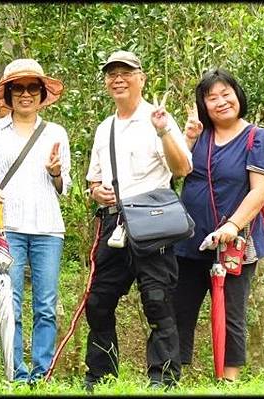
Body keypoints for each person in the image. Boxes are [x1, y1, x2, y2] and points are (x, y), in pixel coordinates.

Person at [83, 50, 193, 391]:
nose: (118, 78)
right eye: (112, 73)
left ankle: (163, 378)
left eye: (126, 72)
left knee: (158, 300)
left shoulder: (158, 117)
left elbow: (181, 168)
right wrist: (96, 194)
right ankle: (101, 376)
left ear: (141, 78)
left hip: (152, 222)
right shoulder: (104, 128)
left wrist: (163, 131)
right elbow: (93, 182)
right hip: (115, 223)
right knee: (98, 301)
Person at [173, 68, 264, 382]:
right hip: (190, 239)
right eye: (211, 97)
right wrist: (187, 137)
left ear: (237, 96)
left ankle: (228, 382)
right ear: (203, 104)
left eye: (225, 94)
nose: (220, 102)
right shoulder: (198, 135)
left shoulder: (255, 137)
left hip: (236, 243)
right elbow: (173, 173)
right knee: (178, 309)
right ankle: (169, 376)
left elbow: (261, 190)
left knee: (232, 313)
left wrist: (232, 225)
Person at [0, 58, 71, 384]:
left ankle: (40, 374)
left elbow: (65, 187)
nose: (26, 94)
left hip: (48, 229)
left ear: (42, 94)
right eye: (19, 88)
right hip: (7, 227)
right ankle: (16, 374)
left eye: (33, 88)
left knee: (45, 304)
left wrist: (56, 172)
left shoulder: (56, 132)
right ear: (8, 93)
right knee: (9, 304)